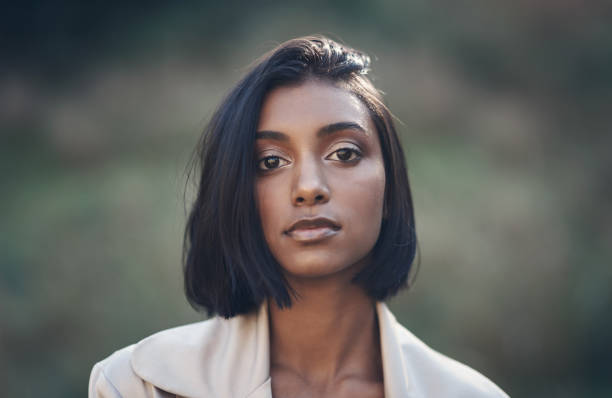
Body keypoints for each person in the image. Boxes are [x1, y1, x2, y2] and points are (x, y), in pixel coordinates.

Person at [88, 36, 509, 398]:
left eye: (344, 153)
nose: (309, 187)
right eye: (270, 161)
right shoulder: (140, 384)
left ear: (390, 186)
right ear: (236, 193)